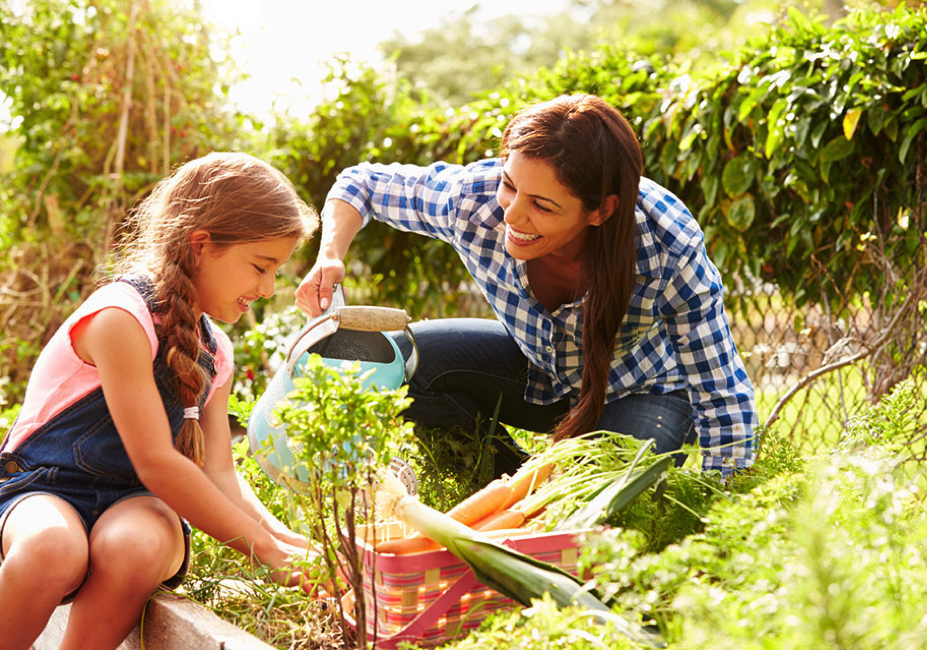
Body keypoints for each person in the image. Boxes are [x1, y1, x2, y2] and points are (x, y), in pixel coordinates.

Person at [295, 94, 758, 481]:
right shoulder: (471, 202)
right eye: (509, 185)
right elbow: (360, 185)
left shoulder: (665, 244)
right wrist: (330, 254)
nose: (512, 216)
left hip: (642, 389)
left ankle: (562, 498)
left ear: (600, 211)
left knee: (602, 505)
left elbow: (720, 392)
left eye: (542, 205)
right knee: (393, 361)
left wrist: (726, 510)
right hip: (538, 373)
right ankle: (505, 488)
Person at [0, 152, 321, 650]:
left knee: (139, 546)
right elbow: (156, 461)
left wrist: (294, 547)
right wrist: (266, 552)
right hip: (44, 490)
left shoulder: (215, 351)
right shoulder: (120, 318)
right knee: (52, 548)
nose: (267, 288)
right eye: (261, 266)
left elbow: (219, 476)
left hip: (135, 505)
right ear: (201, 245)